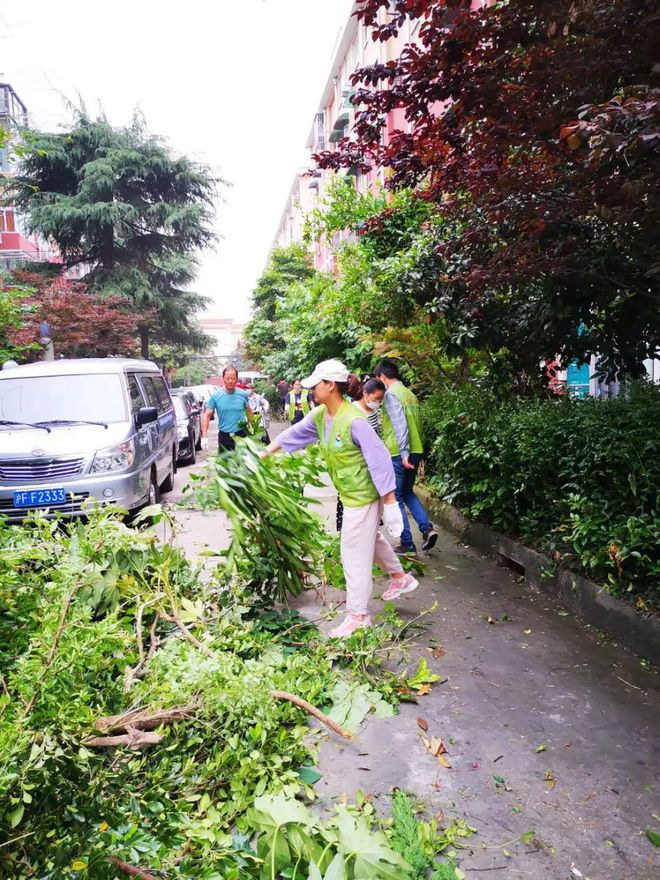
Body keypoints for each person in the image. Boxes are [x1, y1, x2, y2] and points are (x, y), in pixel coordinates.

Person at [261, 359, 419, 638]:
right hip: (350, 494)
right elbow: (294, 434)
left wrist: (392, 504)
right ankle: (400, 577)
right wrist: (263, 454)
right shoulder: (322, 415)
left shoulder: (354, 420)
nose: (312, 390)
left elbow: (380, 460)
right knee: (369, 539)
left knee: (352, 553)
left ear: (330, 385)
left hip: (364, 495)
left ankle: (358, 616)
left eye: (316, 385)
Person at [373, 359, 438, 554]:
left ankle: (407, 543)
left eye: (378, 380)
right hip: (416, 450)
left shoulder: (391, 394)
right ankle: (427, 529)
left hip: (399, 453)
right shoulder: (409, 394)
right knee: (408, 492)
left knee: (396, 497)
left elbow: (400, 425)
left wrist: (403, 452)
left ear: (382, 377)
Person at [336, 377, 386, 531]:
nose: (377, 402)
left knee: (369, 510)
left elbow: (379, 437)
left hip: (370, 467)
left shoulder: (376, 412)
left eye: (380, 399)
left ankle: (368, 535)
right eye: (376, 398)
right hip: (352, 466)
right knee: (350, 505)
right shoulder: (351, 410)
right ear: (365, 393)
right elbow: (338, 437)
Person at [200, 365, 250, 452]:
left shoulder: (243, 394)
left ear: (237, 379)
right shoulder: (216, 396)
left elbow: (249, 412)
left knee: (242, 463)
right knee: (226, 464)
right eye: (227, 378)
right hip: (224, 437)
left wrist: (254, 430)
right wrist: (204, 436)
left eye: (233, 378)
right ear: (223, 378)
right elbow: (207, 415)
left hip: (241, 435)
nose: (230, 381)